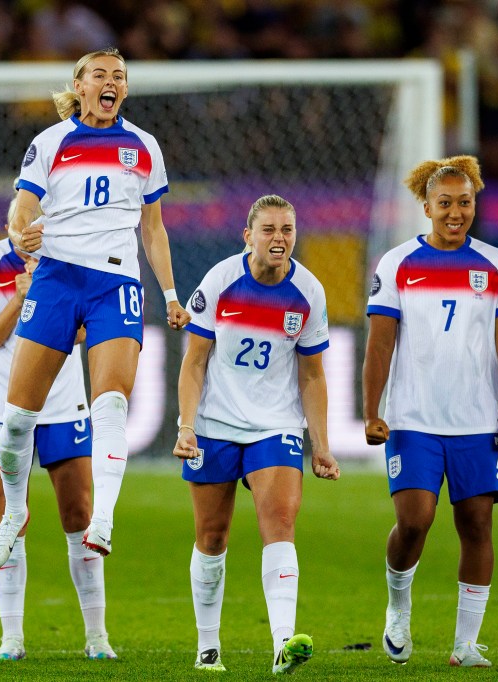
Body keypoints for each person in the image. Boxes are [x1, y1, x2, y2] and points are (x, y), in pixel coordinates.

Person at [0, 46, 191, 574]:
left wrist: (168, 293)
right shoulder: (49, 142)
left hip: (115, 281)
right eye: (99, 74)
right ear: (78, 85)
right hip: (55, 278)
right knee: (16, 422)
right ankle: (13, 513)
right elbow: (23, 206)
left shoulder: (143, 146)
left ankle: (104, 519)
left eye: (119, 76)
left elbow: (154, 228)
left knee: (112, 403)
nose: (110, 82)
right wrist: (16, 231)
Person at [363, 155, 498, 668]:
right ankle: (397, 606)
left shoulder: (496, 266)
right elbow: (379, 346)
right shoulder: (397, 264)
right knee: (415, 520)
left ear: (474, 203)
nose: (456, 212)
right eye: (445, 204)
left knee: (477, 525)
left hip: (476, 422)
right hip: (413, 420)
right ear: (427, 206)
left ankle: (465, 643)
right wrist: (371, 410)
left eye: (465, 202)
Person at [171, 194, 339, 675]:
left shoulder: (308, 291)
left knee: (280, 522)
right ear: (248, 236)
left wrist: (320, 444)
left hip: (276, 425)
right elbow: (194, 362)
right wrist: (187, 427)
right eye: (268, 229)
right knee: (211, 534)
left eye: (287, 229)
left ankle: (283, 644)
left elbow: (312, 375)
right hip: (215, 425)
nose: (279, 238)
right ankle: (208, 646)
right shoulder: (220, 282)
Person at [0, 196, 114, 660]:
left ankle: (97, 638)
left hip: (63, 403)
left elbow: (84, 329)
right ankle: (12, 639)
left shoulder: (75, 258)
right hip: (5, 407)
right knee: (11, 515)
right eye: (22, 220)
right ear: (10, 222)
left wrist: (47, 308)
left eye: (38, 221)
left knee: (79, 514)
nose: (29, 228)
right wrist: (21, 299)